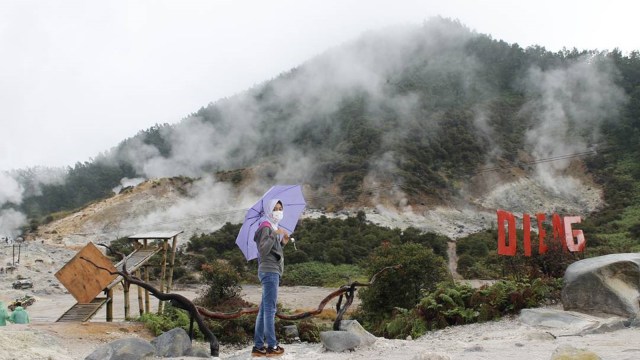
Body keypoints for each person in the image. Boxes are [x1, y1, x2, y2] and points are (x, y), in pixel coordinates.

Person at [252, 199, 290, 357]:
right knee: (269, 309)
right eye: (275, 208)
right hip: (269, 272)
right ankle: (272, 346)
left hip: (270, 271)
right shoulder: (266, 227)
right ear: (269, 210)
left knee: (263, 310)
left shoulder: (271, 227)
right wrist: (274, 234)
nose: (278, 211)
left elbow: (273, 250)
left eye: (280, 208)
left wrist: (283, 243)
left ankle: (258, 347)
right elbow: (263, 250)